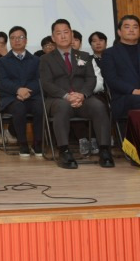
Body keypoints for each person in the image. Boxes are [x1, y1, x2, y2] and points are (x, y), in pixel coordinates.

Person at [39, 19, 114, 169]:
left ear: (72, 34)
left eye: (66, 32)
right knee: (62, 107)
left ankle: (105, 150)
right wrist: (67, 96)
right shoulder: (45, 59)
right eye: (58, 33)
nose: (63, 36)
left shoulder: (84, 56)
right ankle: (64, 151)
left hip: (83, 98)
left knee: (99, 106)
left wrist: (82, 95)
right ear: (53, 38)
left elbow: (91, 79)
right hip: (58, 99)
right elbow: (46, 83)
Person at [0, 26, 44, 156]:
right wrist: (18, 90)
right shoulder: (3, 61)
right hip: (11, 97)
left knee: (40, 107)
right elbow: (2, 81)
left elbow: (39, 80)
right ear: (10, 41)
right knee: (19, 108)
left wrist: (28, 92)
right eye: (13, 38)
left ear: (26, 40)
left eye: (20, 37)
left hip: (32, 96)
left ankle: (38, 143)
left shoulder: (36, 60)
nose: (17, 40)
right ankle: (23, 143)